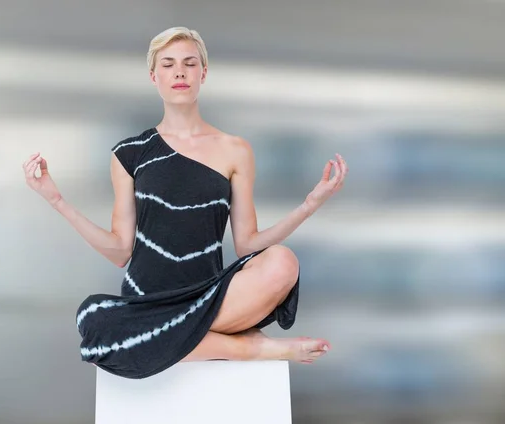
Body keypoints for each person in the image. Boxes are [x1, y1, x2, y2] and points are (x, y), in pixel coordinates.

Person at [21, 26, 348, 379]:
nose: (179, 72)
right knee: (94, 319)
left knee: (284, 261)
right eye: (168, 64)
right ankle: (247, 347)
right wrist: (57, 201)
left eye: (190, 63)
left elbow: (248, 244)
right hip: (145, 304)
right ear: (154, 76)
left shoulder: (235, 150)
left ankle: (180, 337)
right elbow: (119, 251)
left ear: (203, 74)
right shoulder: (129, 153)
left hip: (209, 297)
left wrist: (308, 205)